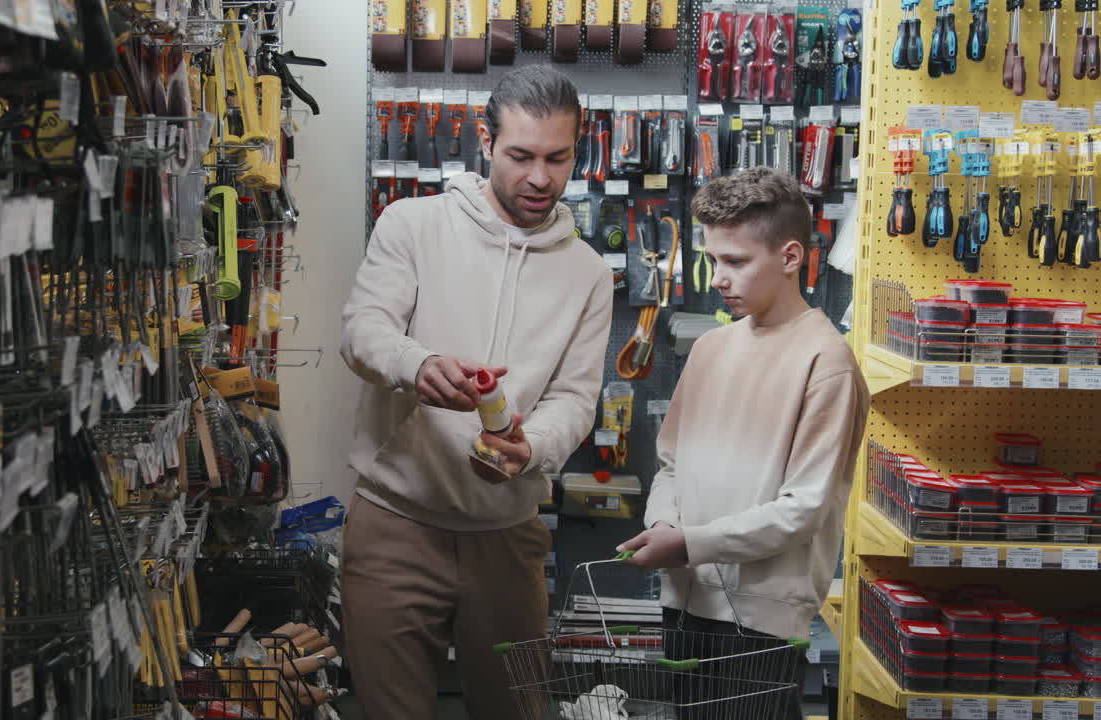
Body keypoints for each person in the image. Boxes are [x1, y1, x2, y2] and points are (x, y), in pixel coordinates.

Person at [338, 64, 613, 720]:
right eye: (521, 156)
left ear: (579, 150)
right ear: (484, 142)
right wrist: (417, 362)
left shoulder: (589, 274)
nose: (541, 178)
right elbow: (362, 331)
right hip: (395, 525)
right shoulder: (411, 225)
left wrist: (533, 446)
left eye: (558, 158)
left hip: (508, 536)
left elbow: (575, 399)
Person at [618, 167, 870, 719]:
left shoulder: (826, 364)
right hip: (684, 602)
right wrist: (663, 526)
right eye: (713, 260)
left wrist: (687, 543)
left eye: (735, 261)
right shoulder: (709, 349)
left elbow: (801, 511)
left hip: (761, 621)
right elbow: (670, 465)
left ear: (789, 257)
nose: (717, 278)